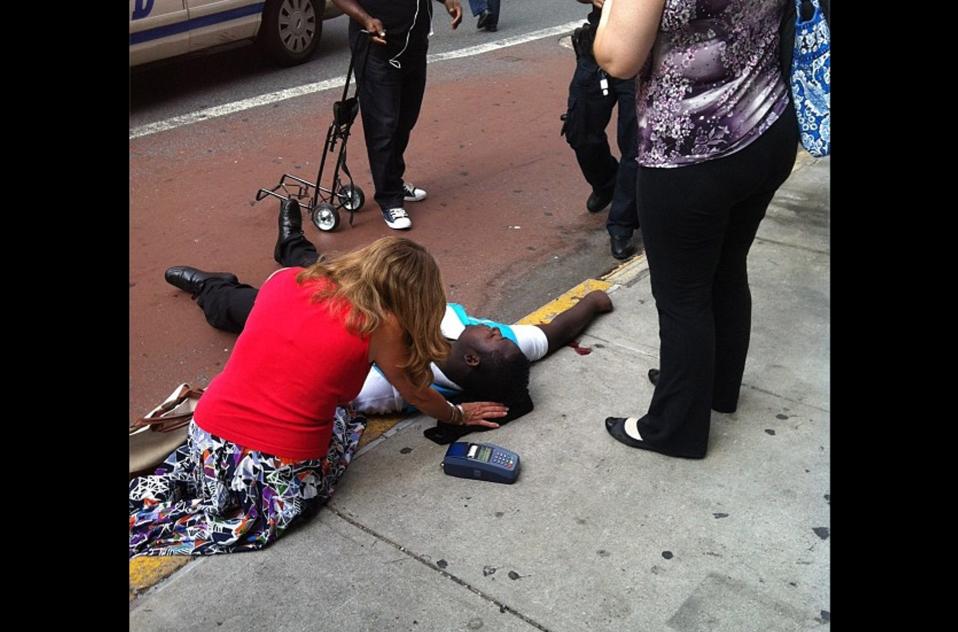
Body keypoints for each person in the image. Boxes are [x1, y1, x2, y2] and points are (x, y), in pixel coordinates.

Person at [131, 235, 508, 557]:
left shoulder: (286, 277)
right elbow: (420, 395)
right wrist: (458, 415)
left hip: (206, 439)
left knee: (334, 414)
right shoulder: (383, 326)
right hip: (276, 469)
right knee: (344, 424)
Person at [162, 197, 614, 424]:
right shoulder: (512, 349)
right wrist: (596, 299)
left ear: (473, 359)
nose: (494, 329)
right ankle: (292, 247)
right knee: (324, 270)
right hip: (369, 286)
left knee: (251, 305)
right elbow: (556, 330)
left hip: (327, 319)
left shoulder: (387, 388)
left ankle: (209, 288)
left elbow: (321, 388)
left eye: (491, 335)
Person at [593, 0, 801, 459]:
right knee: (727, 267)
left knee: (682, 297)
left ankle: (675, 429)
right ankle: (716, 387)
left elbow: (617, 57)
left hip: (689, 148)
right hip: (766, 123)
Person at [332, 0, 462, 231]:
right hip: (377, 46)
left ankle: (394, 180)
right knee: (383, 124)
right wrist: (365, 18)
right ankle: (389, 198)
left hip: (413, 44)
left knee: (406, 118)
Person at [562, 0, 640, 260]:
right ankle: (607, 183)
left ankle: (622, 225)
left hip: (640, 53)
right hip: (598, 47)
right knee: (579, 129)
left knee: (635, 143)